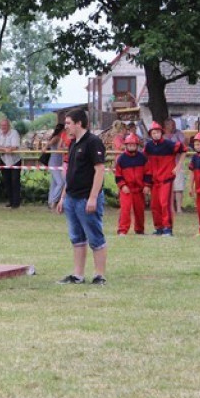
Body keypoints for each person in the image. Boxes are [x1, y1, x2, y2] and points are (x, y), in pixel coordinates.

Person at [56, 108, 108, 285]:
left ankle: (99, 275)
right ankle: (77, 275)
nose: (66, 127)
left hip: (87, 199)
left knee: (95, 236)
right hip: (71, 198)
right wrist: (63, 197)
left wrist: (93, 197)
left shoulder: (93, 142)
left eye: (69, 123)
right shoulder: (73, 143)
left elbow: (99, 170)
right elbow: (71, 172)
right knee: (77, 238)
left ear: (79, 123)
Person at [143, 120, 186, 235]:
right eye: (153, 133)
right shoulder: (148, 146)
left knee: (164, 203)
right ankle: (159, 228)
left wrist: (178, 166)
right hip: (154, 180)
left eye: (157, 132)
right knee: (154, 205)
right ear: (150, 134)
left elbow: (184, 150)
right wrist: (146, 183)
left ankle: (168, 228)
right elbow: (145, 162)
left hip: (166, 178)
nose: (155, 134)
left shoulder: (169, 144)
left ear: (161, 133)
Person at [113, 132, 147, 236]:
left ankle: (139, 230)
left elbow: (148, 173)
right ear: (126, 145)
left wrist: (147, 185)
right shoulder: (121, 159)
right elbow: (118, 175)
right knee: (125, 210)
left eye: (133, 145)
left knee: (139, 210)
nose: (132, 147)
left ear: (137, 146)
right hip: (126, 189)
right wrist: (123, 186)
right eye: (130, 145)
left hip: (139, 189)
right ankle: (122, 230)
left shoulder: (143, 158)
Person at [0, 116, 22, 209]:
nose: (3, 127)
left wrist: (5, 148)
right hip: (4, 159)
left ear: (8, 125)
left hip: (15, 160)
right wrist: (5, 149)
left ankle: (16, 203)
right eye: (2, 125)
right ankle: (11, 201)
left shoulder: (14, 133)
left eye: (5, 125)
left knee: (15, 180)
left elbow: (15, 146)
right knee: (6, 181)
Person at [164, 117, 188, 214]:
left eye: (174, 124)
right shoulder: (162, 136)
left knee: (179, 186)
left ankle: (178, 208)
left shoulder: (179, 133)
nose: (173, 126)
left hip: (178, 163)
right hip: (166, 164)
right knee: (169, 187)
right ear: (166, 126)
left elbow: (183, 145)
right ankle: (171, 208)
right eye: (171, 124)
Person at [43, 122, 69, 211]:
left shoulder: (59, 137)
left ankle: (51, 201)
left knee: (54, 183)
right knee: (60, 183)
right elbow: (48, 145)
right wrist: (45, 148)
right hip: (54, 163)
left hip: (58, 163)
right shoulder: (57, 137)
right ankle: (54, 201)